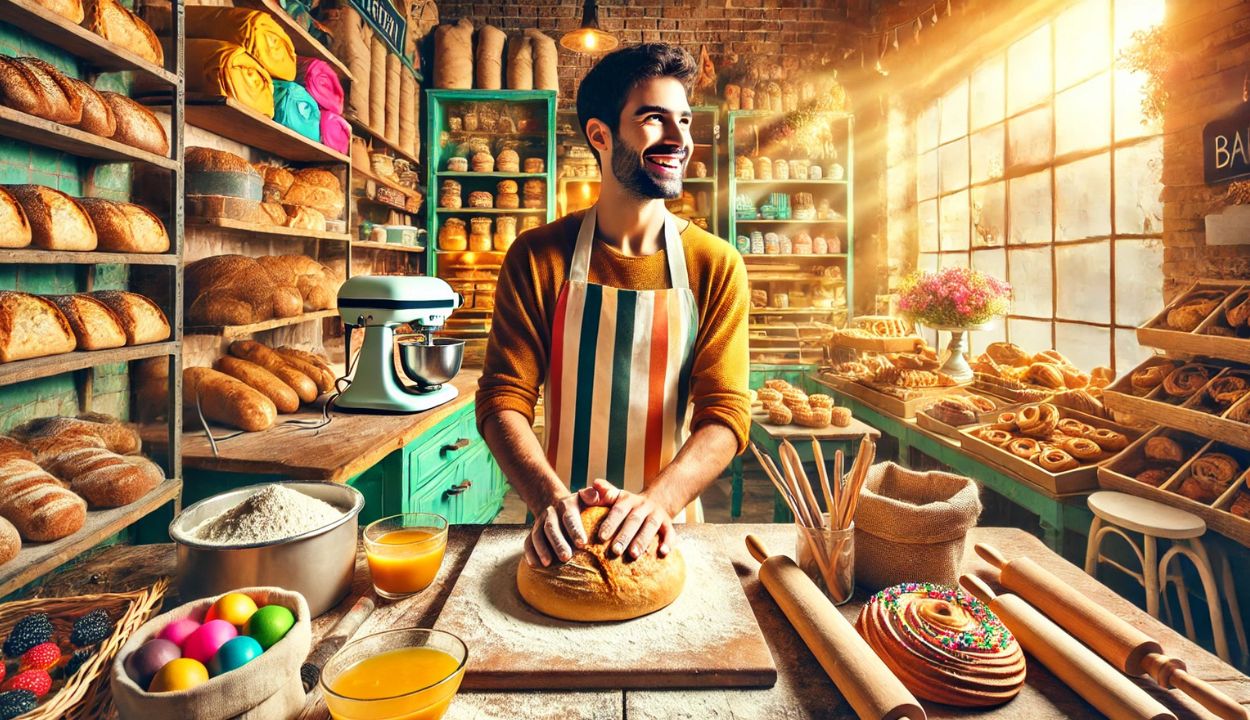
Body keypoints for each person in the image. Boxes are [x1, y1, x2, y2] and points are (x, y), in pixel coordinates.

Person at [476, 43, 750, 570]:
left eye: (685, 121)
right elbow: (502, 399)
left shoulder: (715, 265)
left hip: (666, 529)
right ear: (601, 135)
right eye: (654, 120)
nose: (679, 140)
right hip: (557, 528)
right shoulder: (537, 257)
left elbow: (727, 415)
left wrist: (657, 504)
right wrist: (547, 500)